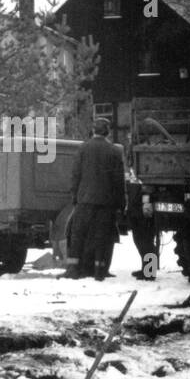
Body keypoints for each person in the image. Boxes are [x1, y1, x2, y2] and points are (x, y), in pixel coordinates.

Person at [63, 118, 126, 281]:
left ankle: (74, 269)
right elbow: (118, 181)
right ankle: (99, 271)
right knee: (102, 237)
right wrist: (121, 204)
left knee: (78, 236)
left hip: (84, 201)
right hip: (106, 204)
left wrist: (75, 197)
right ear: (108, 131)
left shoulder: (83, 148)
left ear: (93, 130)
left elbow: (75, 175)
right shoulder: (114, 151)